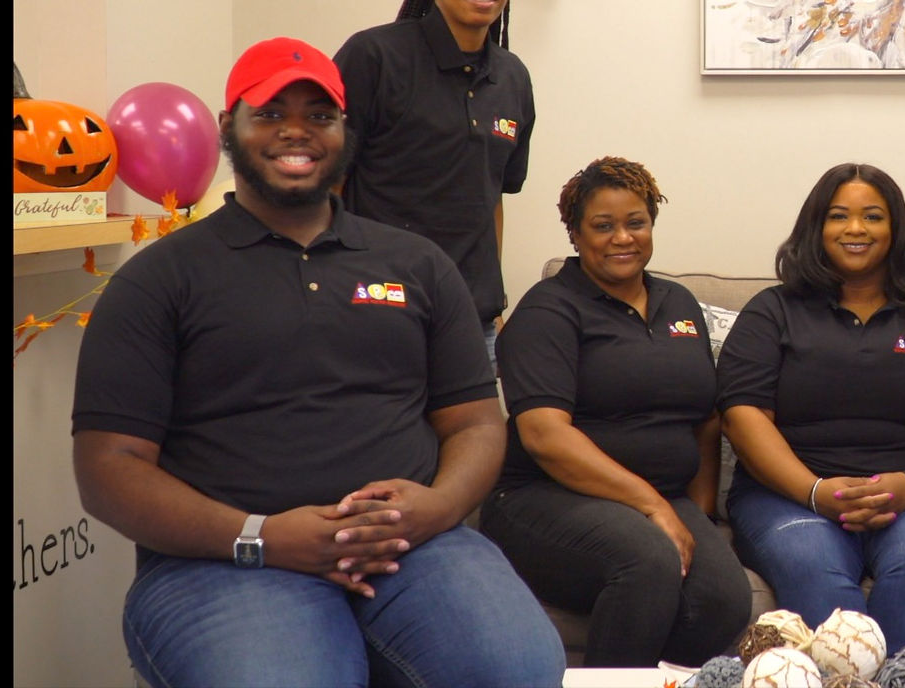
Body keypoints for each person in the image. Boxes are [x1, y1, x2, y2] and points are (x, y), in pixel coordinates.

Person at [71, 37, 565, 687]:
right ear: (229, 126)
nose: (296, 131)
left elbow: (475, 423)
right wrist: (260, 535)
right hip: (227, 562)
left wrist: (436, 508)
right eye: (271, 113)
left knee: (518, 670)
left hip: (415, 548)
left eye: (319, 115)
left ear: (344, 129)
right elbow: (108, 468)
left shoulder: (417, 264)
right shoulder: (161, 278)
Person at [717, 163, 905, 654]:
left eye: (872, 216)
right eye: (838, 216)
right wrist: (814, 491)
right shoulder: (773, 311)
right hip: (789, 494)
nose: (855, 229)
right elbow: (742, 415)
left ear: (896, 229)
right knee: (815, 570)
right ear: (816, 226)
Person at [479, 156, 749, 666]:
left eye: (635, 223)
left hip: (662, 496)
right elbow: (544, 435)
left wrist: (700, 513)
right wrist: (652, 506)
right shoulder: (548, 310)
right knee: (648, 558)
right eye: (603, 226)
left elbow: (705, 419)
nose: (622, 238)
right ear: (576, 234)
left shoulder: (679, 303)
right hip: (544, 498)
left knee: (723, 600)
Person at [334, 0, 535, 368]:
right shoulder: (374, 56)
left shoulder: (513, 77)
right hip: (374, 312)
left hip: (472, 320)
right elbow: (328, 184)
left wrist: (493, 303)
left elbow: (492, 198)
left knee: (479, 419)